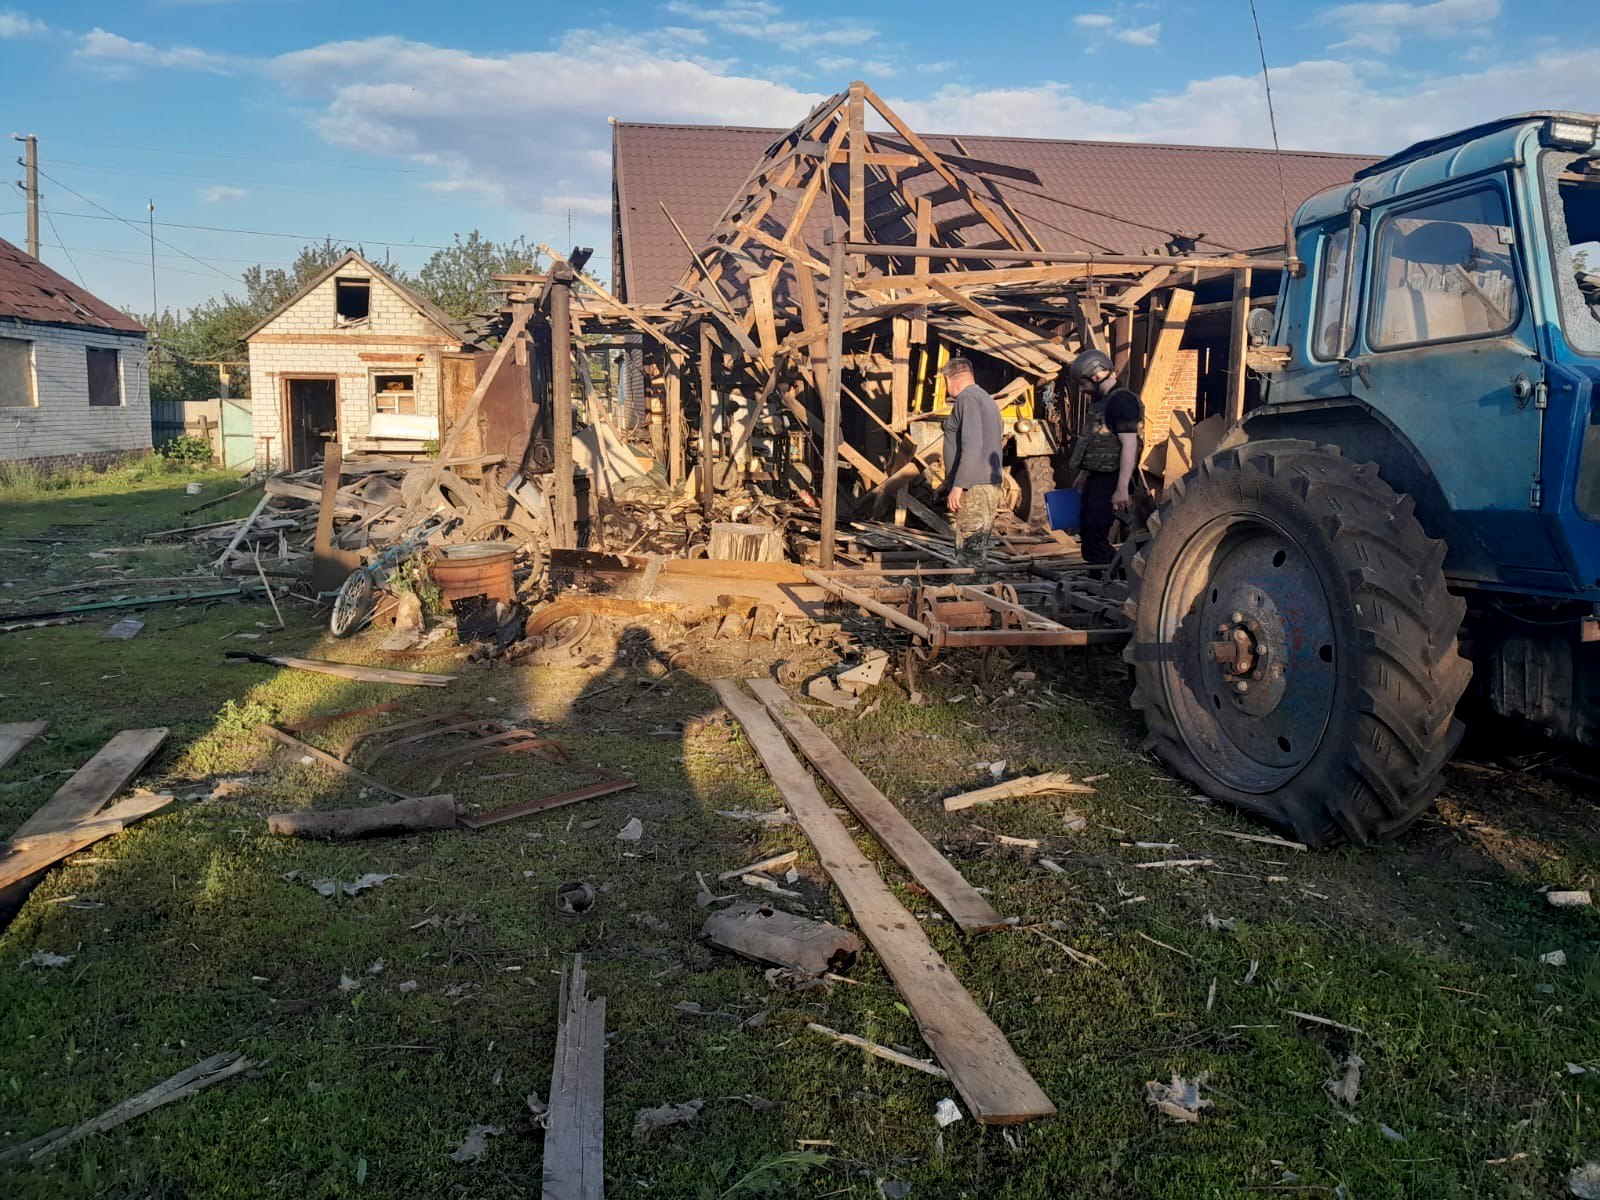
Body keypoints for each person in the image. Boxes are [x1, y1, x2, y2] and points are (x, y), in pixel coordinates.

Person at [1066, 348, 1142, 565]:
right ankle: (1099, 577)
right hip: (1097, 476)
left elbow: (1129, 445)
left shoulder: (1122, 402)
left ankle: (1111, 578)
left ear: (1097, 376)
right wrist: (1084, 473)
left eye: (1083, 384)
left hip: (1112, 478)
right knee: (1088, 531)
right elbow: (1096, 442)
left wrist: (1122, 488)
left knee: (1097, 531)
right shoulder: (1102, 401)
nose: (1082, 390)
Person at [939, 356, 1004, 564]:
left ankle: (968, 595)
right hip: (986, 485)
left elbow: (972, 444)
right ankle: (980, 593)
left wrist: (959, 485)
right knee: (976, 553)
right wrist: (949, 482)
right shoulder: (986, 399)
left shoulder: (967, 399)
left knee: (968, 556)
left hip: (974, 487)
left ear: (949, 380)